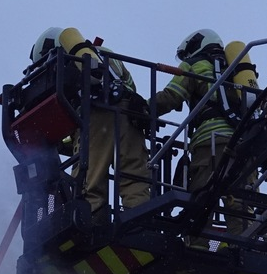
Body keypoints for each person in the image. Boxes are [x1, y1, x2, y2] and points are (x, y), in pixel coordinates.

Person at [30, 27, 151, 221]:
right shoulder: (106, 55)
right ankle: (140, 221)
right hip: (130, 114)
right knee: (133, 174)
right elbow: (128, 85)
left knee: (89, 176)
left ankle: (92, 219)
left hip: (97, 113)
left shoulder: (75, 61)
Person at [155, 29, 255, 238]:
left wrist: (143, 109)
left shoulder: (194, 65)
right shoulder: (236, 69)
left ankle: (200, 242)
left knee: (203, 195)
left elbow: (171, 96)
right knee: (238, 197)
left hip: (211, 143)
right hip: (245, 142)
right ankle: (244, 244)